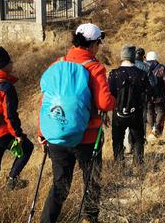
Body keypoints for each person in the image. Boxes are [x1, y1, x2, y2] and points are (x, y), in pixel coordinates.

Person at [38, 23, 115, 223]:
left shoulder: (57, 64)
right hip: (87, 137)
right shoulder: (94, 67)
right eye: (99, 42)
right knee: (91, 181)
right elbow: (105, 103)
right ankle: (89, 218)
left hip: (57, 134)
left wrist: (42, 132)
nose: (99, 46)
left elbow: (46, 100)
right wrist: (114, 98)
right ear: (92, 44)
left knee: (59, 185)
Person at [0, 46, 34, 200]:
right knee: (27, 147)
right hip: (1, 134)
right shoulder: (6, 87)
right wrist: (17, 135)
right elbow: (10, 116)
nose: (12, 64)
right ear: (6, 64)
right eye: (11, 61)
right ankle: (12, 181)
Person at [108, 45, 151, 165]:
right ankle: (138, 164)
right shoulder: (141, 73)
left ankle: (118, 164)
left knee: (117, 139)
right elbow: (148, 92)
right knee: (138, 140)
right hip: (136, 113)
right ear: (133, 57)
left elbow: (110, 94)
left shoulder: (114, 74)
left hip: (118, 113)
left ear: (122, 57)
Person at [146, 51, 165, 137]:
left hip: (148, 95)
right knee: (161, 111)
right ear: (156, 58)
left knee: (149, 111)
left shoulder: (144, 67)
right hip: (160, 94)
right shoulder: (161, 68)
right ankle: (156, 128)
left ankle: (153, 128)